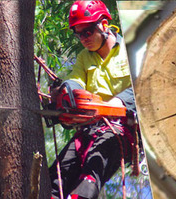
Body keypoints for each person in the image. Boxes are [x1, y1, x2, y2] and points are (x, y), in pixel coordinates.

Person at [49, 1, 137, 198]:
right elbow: (76, 80)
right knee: (55, 178)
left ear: (104, 25)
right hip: (90, 128)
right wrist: (67, 94)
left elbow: (143, 87)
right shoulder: (83, 57)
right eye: (79, 34)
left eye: (87, 32)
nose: (83, 39)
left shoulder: (131, 49)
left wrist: (117, 103)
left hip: (122, 128)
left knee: (91, 172)